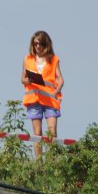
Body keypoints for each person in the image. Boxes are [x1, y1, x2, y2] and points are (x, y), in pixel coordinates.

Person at [21, 31, 63, 159]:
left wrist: (58, 89)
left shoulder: (53, 60)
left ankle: (51, 160)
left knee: (52, 132)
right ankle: (39, 162)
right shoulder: (27, 59)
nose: (38, 46)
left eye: (40, 44)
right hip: (34, 99)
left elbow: (60, 79)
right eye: (35, 44)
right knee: (37, 134)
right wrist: (26, 80)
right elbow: (22, 79)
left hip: (50, 100)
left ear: (46, 44)